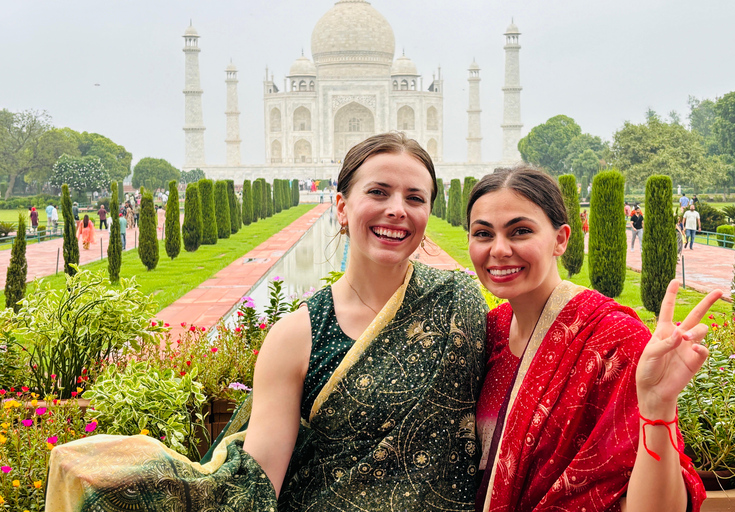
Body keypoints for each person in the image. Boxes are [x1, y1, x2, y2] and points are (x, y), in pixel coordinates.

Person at [46, 133, 487, 512]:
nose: (397, 210)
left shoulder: (459, 302)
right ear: (342, 206)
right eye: (378, 192)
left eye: (415, 198)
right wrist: (120, 475)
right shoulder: (298, 335)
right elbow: (255, 482)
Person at [467, 166, 720, 512]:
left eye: (520, 231)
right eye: (483, 234)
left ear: (560, 239)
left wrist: (658, 407)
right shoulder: (490, 332)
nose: (498, 249)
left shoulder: (614, 340)